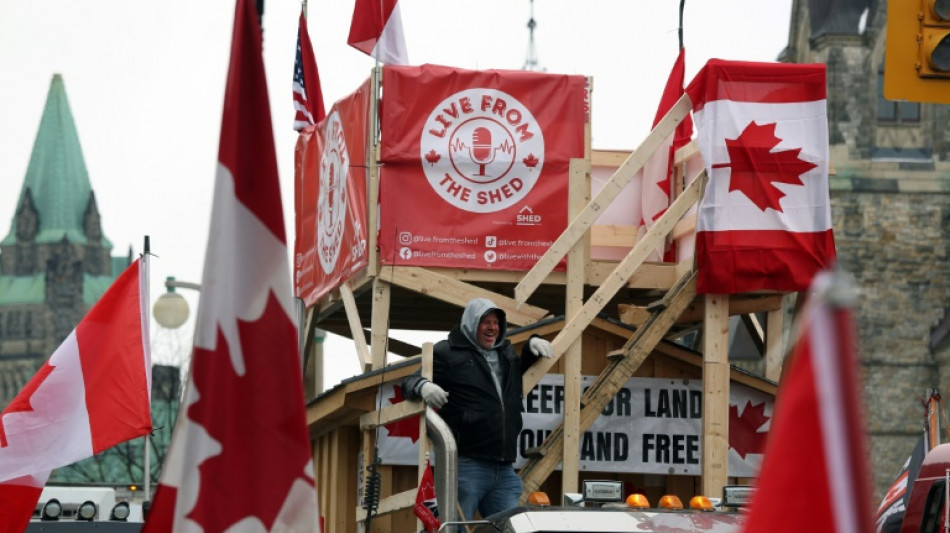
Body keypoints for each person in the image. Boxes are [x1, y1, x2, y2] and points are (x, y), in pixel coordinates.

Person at [402, 297, 554, 522]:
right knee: (455, 527)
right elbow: (409, 381)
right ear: (472, 323)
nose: (493, 328)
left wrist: (532, 345)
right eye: (486, 322)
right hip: (466, 465)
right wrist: (422, 386)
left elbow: (515, 375)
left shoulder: (506, 353)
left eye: (496, 322)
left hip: (504, 469)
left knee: (511, 527)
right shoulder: (447, 352)